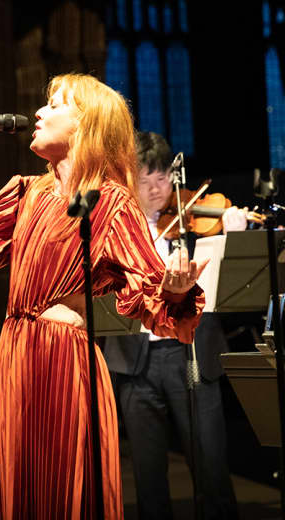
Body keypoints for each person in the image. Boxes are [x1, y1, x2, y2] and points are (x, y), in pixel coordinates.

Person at [0, 75, 207, 520]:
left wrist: (175, 289)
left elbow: (150, 296)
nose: (38, 113)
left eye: (54, 105)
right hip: (16, 356)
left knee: (65, 491)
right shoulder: (27, 192)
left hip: (63, 360)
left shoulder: (112, 203)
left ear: (85, 125)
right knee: (20, 490)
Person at [103, 131, 242, 520]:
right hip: (135, 361)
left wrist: (233, 238)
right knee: (148, 478)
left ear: (173, 176)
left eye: (161, 178)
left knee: (211, 469)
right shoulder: (116, 230)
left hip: (191, 354)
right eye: (143, 181)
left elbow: (229, 293)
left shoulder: (195, 225)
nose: (154, 190)